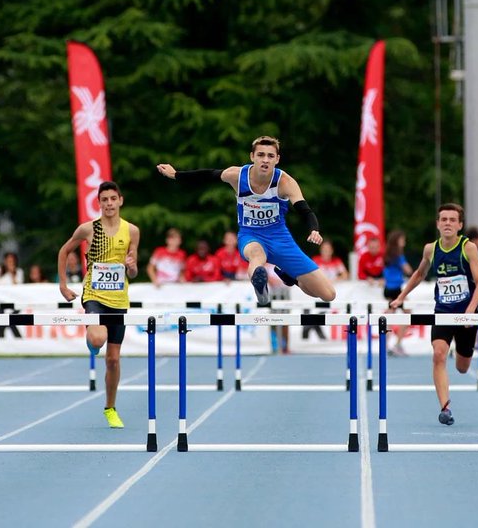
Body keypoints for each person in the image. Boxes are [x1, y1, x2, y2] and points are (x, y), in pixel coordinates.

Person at [156, 135, 336, 307]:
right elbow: (207, 175)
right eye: (261, 155)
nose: (265, 160)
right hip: (251, 235)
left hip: (281, 239)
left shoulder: (285, 182)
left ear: (277, 159)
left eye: (270, 156)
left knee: (328, 295)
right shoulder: (237, 175)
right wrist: (175, 174)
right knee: (257, 255)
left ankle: (291, 279)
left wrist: (314, 229)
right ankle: (261, 288)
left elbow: (305, 210)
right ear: (252, 157)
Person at [389, 204, 478, 425]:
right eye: (444, 219)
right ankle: (445, 408)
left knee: (462, 367)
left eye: (452, 220)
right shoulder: (430, 249)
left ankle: (461, 350)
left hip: (466, 314)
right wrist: (401, 297)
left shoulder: (468, 248)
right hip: (443, 311)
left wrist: (471, 309)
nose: (448, 223)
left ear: (460, 225)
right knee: (439, 354)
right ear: (438, 224)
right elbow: (419, 274)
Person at [57, 181, 141, 429]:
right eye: (104, 200)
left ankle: (110, 408)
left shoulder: (132, 231)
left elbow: (133, 271)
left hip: (119, 299)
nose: (109, 204)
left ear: (120, 200)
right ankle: (93, 342)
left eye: (113, 199)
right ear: (99, 203)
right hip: (94, 295)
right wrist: (63, 285)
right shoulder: (88, 229)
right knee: (97, 337)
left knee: (113, 360)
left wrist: (132, 267)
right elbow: (64, 251)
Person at [381, 230, 413, 356]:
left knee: (389, 317)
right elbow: (408, 270)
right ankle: (397, 344)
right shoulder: (398, 255)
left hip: (388, 288)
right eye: (402, 240)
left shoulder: (387, 254)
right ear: (397, 241)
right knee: (408, 314)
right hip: (396, 289)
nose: (404, 242)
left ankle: (386, 345)